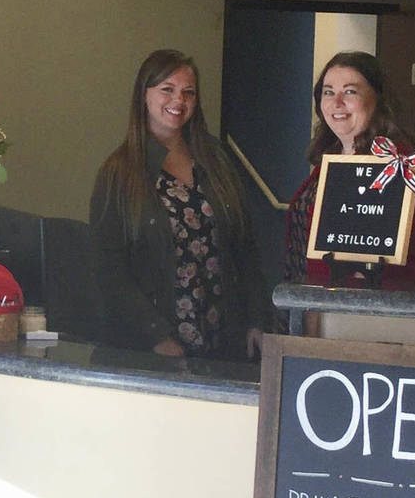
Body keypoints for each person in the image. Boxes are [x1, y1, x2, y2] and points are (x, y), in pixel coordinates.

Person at [89, 48, 275, 360]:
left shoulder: (215, 159)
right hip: (154, 344)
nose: (179, 101)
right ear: (144, 95)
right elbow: (108, 269)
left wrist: (257, 319)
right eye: (167, 90)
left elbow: (245, 249)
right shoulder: (119, 173)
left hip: (223, 338)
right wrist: (156, 336)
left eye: (188, 92)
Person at [284, 50, 415, 287]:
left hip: (356, 309)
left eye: (350, 92)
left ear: (378, 99)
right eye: (328, 92)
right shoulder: (330, 158)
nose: (337, 103)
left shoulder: (395, 161)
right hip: (311, 300)